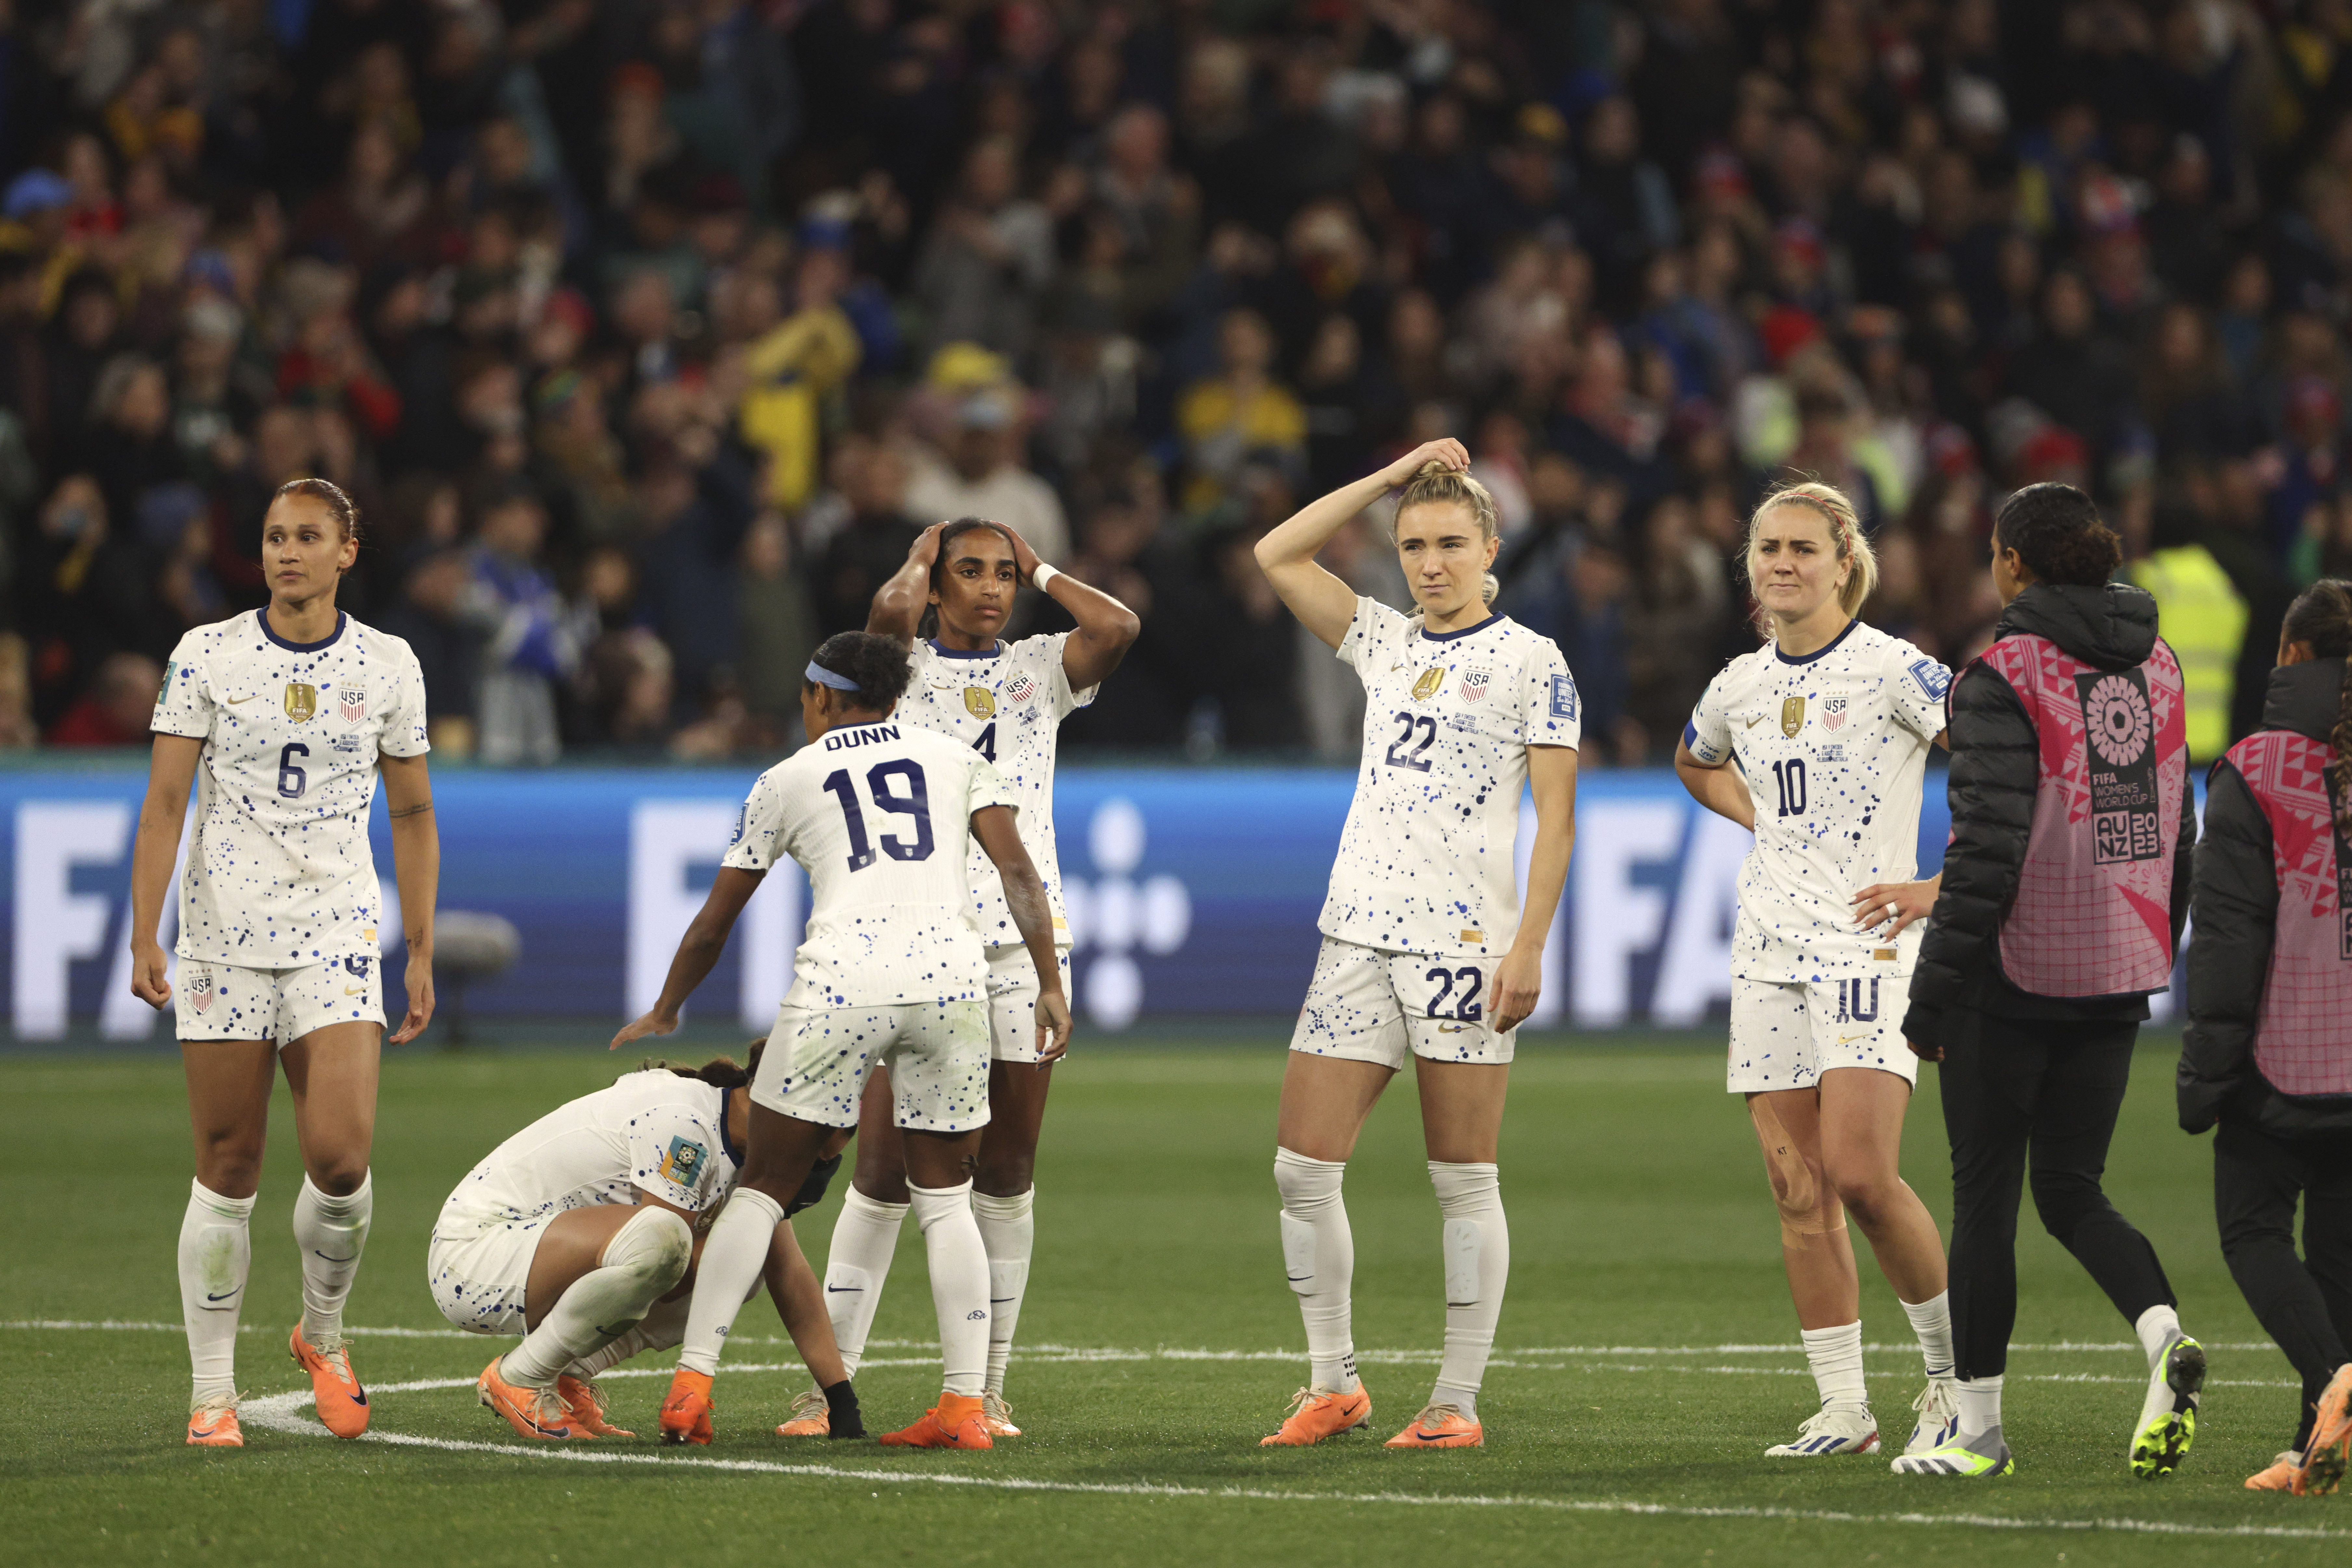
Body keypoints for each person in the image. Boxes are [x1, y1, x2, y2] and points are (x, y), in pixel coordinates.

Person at [612, 630, 1072, 1450]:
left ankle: (690, 1389)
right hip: (953, 982)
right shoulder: (952, 755)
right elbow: (1021, 877)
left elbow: (715, 924)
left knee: (760, 1190)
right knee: (945, 1199)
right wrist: (1048, 981)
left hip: (842, 985)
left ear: (820, 695)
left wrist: (667, 1007)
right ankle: (966, 1407)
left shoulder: (787, 777)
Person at [1248, 440, 1578, 1450]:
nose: (1429, 564)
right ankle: (1332, 1383)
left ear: (1490, 548)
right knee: (1300, 1169)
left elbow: (1558, 822)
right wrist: (1389, 476)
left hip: (1462, 946)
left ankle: (1455, 1403)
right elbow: (1277, 554)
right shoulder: (1383, 641)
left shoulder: (1532, 662)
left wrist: (1528, 947)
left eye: (1448, 544)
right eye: (1411, 545)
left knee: (1461, 1178)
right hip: (1355, 931)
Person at [784, 517, 1137, 1439]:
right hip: (917, 942)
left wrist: (1044, 565)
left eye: (1002, 575)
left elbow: (1119, 628)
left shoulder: (1037, 671)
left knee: (1008, 1172)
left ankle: (985, 1388)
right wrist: (913, 557)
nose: (990, 588)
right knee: (880, 1172)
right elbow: (882, 617)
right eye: (967, 572)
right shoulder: (898, 676)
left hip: (1023, 946)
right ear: (935, 586)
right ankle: (830, 1393)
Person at [1896, 482, 2202, 1480]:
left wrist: (1931, 997)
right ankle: (2163, 1339)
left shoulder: (2002, 675)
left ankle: (1977, 1431)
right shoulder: (2160, 664)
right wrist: (2155, 937)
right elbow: (2175, 825)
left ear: (2014, 566)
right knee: (2072, 1189)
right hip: (2118, 966)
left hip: (2013, 974)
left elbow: (1984, 849)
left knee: (1984, 1200)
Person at [127, 477, 440, 1448]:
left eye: (307, 536)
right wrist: (147, 930)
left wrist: (419, 946)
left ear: (348, 551)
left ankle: (323, 1333)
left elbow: (415, 812)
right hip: (224, 935)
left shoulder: (388, 665)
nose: (285, 552)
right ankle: (212, 1395)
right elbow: (167, 804)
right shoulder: (206, 656)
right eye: (272, 537)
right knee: (228, 1164)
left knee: (341, 1160)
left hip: (336, 935)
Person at [1673, 481, 1960, 1462]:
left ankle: (1949, 1386)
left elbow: (2009, 763)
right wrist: (1759, 821)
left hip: (1868, 946)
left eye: (1802, 548)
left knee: (1862, 1175)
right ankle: (1843, 1408)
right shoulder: (1739, 685)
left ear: (1845, 563)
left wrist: (1939, 883)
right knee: (1797, 1190)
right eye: (1767, 550)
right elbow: (1693, 759)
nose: (1781, 565)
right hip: (1766, 948)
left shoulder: (1896, 671)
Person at [429, 1044, 862, 1442]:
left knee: (742, 1263)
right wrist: (695, 1377)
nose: (816, 1164)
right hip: (476, 1256)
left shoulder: (751, 1143)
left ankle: (568, 1376)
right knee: (671, 1243)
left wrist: (840, 1400)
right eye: (815, 1145)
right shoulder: (686, 1123)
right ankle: (522, 1376)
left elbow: (790, 1274)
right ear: (778, 1109)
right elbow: (669, 1263)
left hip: (530, 1255)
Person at [2181, 579, 2352, 1496]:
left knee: (2250, 1230)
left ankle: (2336, 1383)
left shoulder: (2255, 767)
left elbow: (2228, 933)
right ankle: (2311, 1452)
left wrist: (2206, 1066)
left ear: (2288, 656)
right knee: (2336, 1252)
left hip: (2284, 1051)